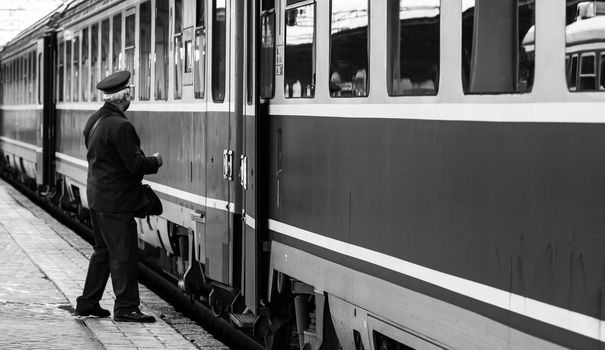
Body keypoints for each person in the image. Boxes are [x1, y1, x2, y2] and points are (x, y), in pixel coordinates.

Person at [75, 70, 163, 323]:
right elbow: (135, 165)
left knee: (102, 252)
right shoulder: (121, 125)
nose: (131, 97)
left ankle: (88, 302)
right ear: (123, 96)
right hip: (116, 202)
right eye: (130, 93)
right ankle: (126, 308)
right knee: (124, 254)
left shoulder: (94, 121)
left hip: (98, 196)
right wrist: (155, 161)